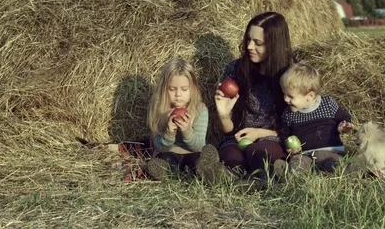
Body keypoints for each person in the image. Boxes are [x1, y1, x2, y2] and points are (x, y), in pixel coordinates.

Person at [196, 12, 292, 190]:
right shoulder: (235, 70)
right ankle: (225, 175)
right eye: (248, 39)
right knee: (231, 154)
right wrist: (223, 115)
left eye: (258, 43)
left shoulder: (290, 76)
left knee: (259, 152)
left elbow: (297, 126)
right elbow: (227, 131)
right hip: (238, 138)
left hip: (272, 140)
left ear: (275, 45)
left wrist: (261, 133)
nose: (249, 46)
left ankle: (261, 179)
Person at [273, 63, 354, 180]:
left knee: (333, 164)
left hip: (329, 151)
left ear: (310, 96)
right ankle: (289, 175)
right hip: (304, 154)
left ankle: (346, 172)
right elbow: (284, 134)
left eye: (290, 96)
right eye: (284, 94)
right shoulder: (288, 114)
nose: (285, 99)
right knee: (297, 163)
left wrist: (343, 125)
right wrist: (288, 146)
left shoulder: (328, 105)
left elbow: (344, 117)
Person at [146, 58, 208, 180]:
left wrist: (187, 131)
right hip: (168, 153)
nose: (178, 94)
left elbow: (199, 145)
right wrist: (169, 133)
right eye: (172, 89)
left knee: (198, 160)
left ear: (193, 89)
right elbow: (159, 146)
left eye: (184, 89)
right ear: (164, 89)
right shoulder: (160, 109)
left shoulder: (200, 110)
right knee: (164, 159)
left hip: (192, 153)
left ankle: (205, 170)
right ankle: (169, 172)